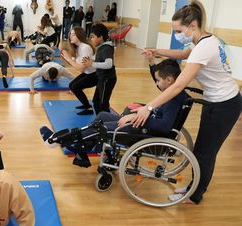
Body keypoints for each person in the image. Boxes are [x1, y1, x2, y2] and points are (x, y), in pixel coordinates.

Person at [133, 0, 242, 204]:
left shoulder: (204, 48)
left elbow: (176, 86)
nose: (177, 35)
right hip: (220, 102)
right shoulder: (205, 40)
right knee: (203, 150)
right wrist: (156, 51)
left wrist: (148, 108)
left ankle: (195, 194)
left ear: (192, 26)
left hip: (224, 105)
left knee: (205, 152)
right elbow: (183, 54)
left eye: (178, 30)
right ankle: (195, 188)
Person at [40, 58, 189, 168]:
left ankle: (61, 141)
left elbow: (164, 126)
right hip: (142, 123)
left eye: (158, 80)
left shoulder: (175, 98)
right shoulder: (171, 90)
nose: (156, 84)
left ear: (169, 80)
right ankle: (82, 148)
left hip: (146, 131)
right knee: (102, 116)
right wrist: (151, 63)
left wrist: (137, 116)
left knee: (100, 128)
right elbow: (160, 101)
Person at [60, 27, 96, 115]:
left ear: (79, 35)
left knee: (75, 87)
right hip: (88, 73)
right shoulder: (79, 47)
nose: (70, 37)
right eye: (70, 34)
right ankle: (86, 104)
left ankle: (88, 109)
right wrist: (68, 58)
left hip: (95, 75)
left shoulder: (85, 47)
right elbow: (77, 64)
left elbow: (81, 68)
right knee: (72, 85)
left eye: (73, 35)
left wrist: (69, 59)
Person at [82, 23, 117, 114]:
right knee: (96, 102)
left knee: (103, 104)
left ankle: (106, 123)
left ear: (100, 37)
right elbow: (101, 60)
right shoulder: (102, 47)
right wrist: (92, 60)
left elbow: (109, 64)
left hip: (107, 79)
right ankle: (100, 120)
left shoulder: (106, 48)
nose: (91, 39)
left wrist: (92, 64)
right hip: (102, 79)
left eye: (93, 37)